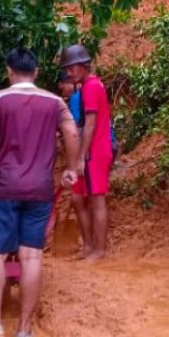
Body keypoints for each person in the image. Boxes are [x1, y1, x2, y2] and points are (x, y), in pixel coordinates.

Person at [0, 48, 80, 337]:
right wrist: (71, 167)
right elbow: (71, 132)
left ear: (10, 71)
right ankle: (25, 329)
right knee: (31, 257)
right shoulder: (55, 102)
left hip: (5, 188)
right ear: (37, 73)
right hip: (39, 189)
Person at [60, 43, 113, 260]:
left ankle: (98, 250)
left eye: (72, 68)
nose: (69, 72)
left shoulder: (91, 87)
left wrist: (81, 156)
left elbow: (90, 124)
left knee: (97, 199)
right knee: (78, 198)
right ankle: (88, 247)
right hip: (91, 151)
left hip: (95, 152)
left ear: (82, 66)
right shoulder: (87, 87)